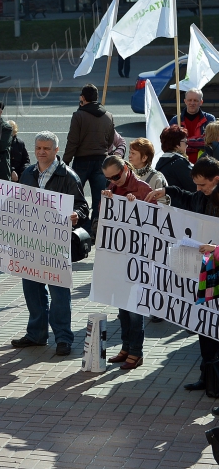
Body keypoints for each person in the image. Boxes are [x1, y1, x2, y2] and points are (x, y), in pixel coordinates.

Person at [9, 132, 89, 357]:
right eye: (38, 148)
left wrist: (75, 214)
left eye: (46, 148)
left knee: (59, 293)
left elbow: (83, 207)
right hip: (30, 241)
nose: (41, 152)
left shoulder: (68, 176)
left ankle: (63, 337)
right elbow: (17, 201)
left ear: (56, 150)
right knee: (32, 290)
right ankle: (36, 334)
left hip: (56, 243)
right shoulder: (28, 173)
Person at [146, 156, 219, 392]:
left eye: (203, 185)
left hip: (216, 265)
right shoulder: (203, 196)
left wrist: (216, 250)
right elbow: (188, 198)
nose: (199, 190)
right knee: (205, 325)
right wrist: (165, 191)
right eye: (196, 184)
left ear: (216, 179)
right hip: (206, 270)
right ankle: (208, 375)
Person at [100, 155, 155, 370]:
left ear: (125, 168)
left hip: (138, 256)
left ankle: (136, 352)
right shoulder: (112, 187)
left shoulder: (142, 187)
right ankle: (126, 347)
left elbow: (154, 222)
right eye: (109, 178)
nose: (115, 180)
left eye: (117, 175)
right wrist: (106, 201)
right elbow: (105, 220)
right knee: (122, 305)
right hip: (119, 255)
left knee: (135, 307)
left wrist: (137, 206)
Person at [62, 83, 115, 239]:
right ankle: (96, 227)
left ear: (83, 98)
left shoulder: (79, 115)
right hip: (101, 161)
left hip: (82, 161)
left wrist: (64, 162)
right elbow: (111, 140)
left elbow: (73, 141)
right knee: (99, 196)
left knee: (75, 194)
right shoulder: (108, 115)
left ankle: (80, 226)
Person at [168, 87, 215, 163]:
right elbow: (170, 143)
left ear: (201, 102)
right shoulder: (176, 120)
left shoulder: (209, 119)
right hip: (180, 162)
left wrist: (184, 142)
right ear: (185, 101)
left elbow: (211, 142)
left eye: (195, 100)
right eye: (190, 100)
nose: (192, 103)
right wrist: (197, 142)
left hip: (204, 163)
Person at [128, 137, 168, 204]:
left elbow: (164, 204)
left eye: (133, 153)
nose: (129, 156)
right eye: (130, 153)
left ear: (144, 158)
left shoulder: (157, 178)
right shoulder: (125, 174)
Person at [156, 124, 195, 192]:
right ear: (177, 145)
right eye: (185, 142)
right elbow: (194, 186)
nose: (187, 145)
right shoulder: (179, 163)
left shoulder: (161, 161)